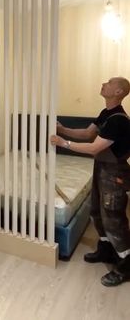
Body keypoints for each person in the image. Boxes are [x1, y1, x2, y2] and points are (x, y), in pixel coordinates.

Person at [50, 77, 130, 287]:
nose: (104, 83)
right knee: (96, 211)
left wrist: (63, 143)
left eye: (110, 82)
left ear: (118, 91)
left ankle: (126, 264)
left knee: (113, 217)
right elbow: (87, 133)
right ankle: (106, 250)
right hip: (102, 168)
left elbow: (94, 147)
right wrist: (63, 129)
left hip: (115, 174)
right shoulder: (107, 114)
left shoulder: (119, 120)